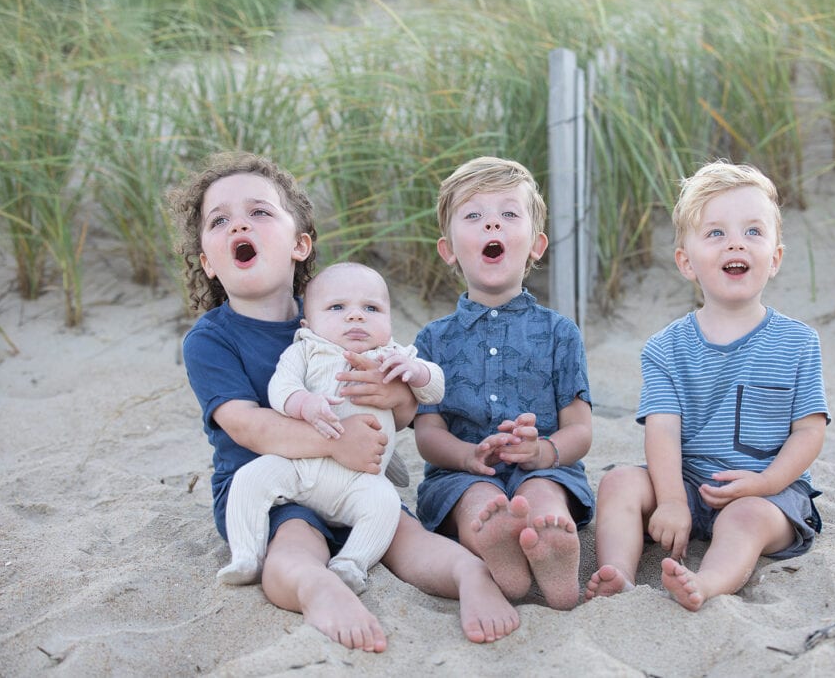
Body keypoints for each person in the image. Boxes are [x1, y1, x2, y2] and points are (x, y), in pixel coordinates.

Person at [170, 151, 519, 652]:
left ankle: (470, 576)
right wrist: (333, 443)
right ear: (207, 260)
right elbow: (247, 425)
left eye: (259, 212)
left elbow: (398, 412)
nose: (238, 224)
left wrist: (395, 392)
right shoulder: (210, 340)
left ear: (299, 244)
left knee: (401, 532)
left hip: (355, 479)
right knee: (293, 546)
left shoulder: (338, 313)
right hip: (275, 491)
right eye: (219, 220)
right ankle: (318, 587)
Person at [584, 160, 830, 611]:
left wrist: (765, 482)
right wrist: (673, 500)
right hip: (686, 483)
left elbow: (810, 431)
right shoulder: (665, 347)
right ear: (686, 261)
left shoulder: (798, 342)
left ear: (774, 258)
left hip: (771, 491)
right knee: (619, 482)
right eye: (715, 233)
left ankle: (708, 583)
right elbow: (662, 430)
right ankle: (617, 573)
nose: (736, 241)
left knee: (746, 517)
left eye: (753, 232)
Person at [412, 156, 595, 611]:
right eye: (473, 216)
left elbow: (580, 428)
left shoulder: (560, 332)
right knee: (478, 501)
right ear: (449, 249)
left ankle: (552, 553)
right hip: (461, 474)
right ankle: (499, 550)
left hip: (544, 467)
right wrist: (466, 455)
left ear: (536, 245)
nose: (491, 223)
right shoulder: (432, 339)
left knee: (543, 494)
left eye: (508, 214)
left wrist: (543, 452)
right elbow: (428, 432)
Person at [217, 261, 444, 594]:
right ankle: (246, 555)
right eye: (337, 307)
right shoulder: (305, 349)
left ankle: (351, 563)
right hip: (301, 468)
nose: (356, 316)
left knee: (385, 504)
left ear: (389, 321)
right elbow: (281, 388)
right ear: (308, 323)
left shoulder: (392, 355)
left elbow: (435, 387)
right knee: (251, 478)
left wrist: (416, 371)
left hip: (360, 480)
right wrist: (303, 403)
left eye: (372, 308)